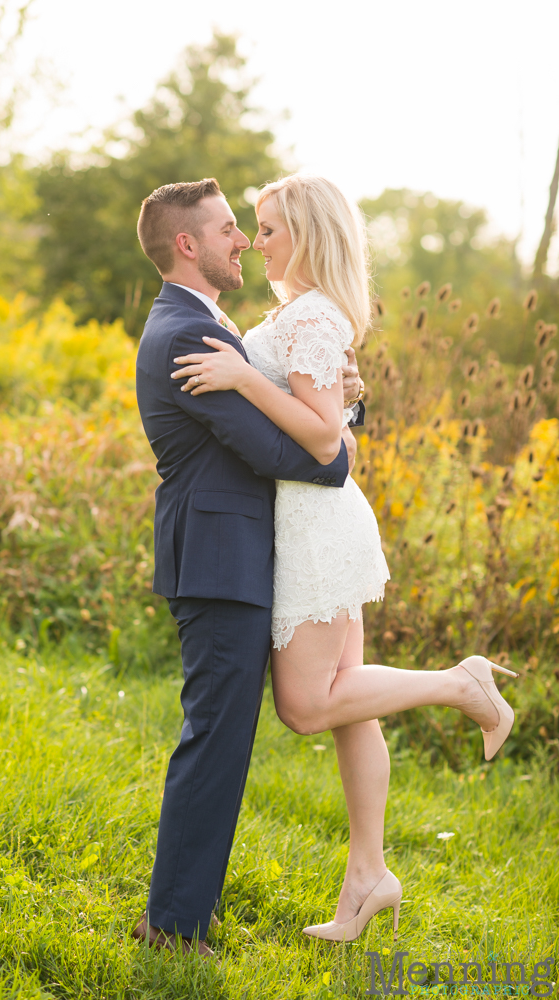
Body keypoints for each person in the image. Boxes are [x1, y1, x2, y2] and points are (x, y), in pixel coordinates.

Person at [170, 173, 518, 944]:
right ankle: (368, 876)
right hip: (310, 518)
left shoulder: (317, 315)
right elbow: (331, 409)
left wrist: (237, 378)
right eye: (252, 228)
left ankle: (461, 685)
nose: (255, 242)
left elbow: (324, 440)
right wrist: (302, 387)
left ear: (308, 234)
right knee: (348, 702)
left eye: (267, 228)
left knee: (306, 705)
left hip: (314, 526)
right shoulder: (302, 313)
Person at [133, 178, 365, 957]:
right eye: (229, 229)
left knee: (221, 738)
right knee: (216, 742)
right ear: (187, 244)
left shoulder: (204, 324)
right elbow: (280, 451)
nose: (243, 241)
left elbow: (295, 413)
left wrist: (335, 407)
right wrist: (342, 450)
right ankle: (173, 928)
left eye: (249, 227)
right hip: (220, 559)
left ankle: (178, 914)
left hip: (224, 555)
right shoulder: (185, 336)